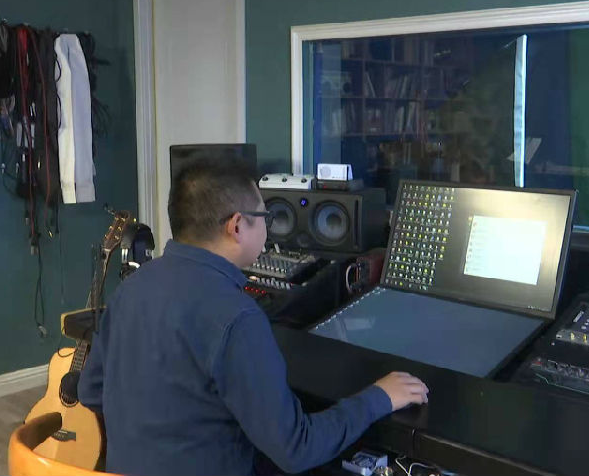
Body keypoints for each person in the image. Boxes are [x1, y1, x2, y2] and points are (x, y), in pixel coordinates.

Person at [79, 157, 429, 475]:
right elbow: (297, 448)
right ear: (236, 226)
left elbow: (91, 391)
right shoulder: (236, 317)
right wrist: (379, 397)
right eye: (265, 217)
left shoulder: (131, 288)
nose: (268, 228)